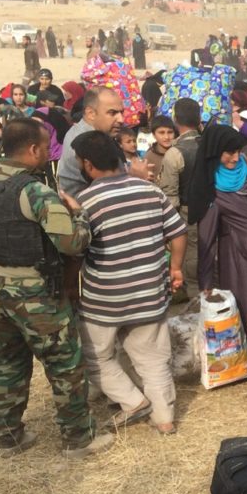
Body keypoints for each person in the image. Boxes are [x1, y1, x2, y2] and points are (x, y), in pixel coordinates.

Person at [0, 119, 113, 458]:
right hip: (36, 297)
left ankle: (8, 437)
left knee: (8, 362)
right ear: (35, 150)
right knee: (64, 364)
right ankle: (78, 438)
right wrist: (79, 215)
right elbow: (72, 243)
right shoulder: (35, 191)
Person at [72, 131, 187, 434]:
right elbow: (177, 231)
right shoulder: (150, 191)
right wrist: (175, 268)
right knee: (153, 359)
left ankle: (132, 401)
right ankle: (164, 419)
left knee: (94, 356)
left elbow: (75, 248)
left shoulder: (85, 201)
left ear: (87, 164)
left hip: (104, 299)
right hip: (150, 292)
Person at [185, 125, 247, 328]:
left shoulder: (244, 168)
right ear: (214, 152)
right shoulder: (211, 191)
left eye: (238, 151)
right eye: (230, 153)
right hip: (240, 261)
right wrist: (205, 283)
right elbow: (206, 239)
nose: (235, 157)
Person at [157, 98, 202, 297]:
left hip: (187, 213)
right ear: (199, 118)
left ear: (176, 120)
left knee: (191, 262)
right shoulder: (210, 144)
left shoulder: (174, 153)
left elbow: (170, 198)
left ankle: (196, 304)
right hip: (213, 210)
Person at [58, 87, 125, 197]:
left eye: (122, 112)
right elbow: (114, 191)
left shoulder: (93, 134)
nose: (121, 119)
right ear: (90, 113)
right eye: (112, 113)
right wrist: (137, 178)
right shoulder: (90, 144)